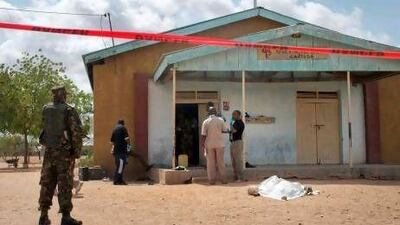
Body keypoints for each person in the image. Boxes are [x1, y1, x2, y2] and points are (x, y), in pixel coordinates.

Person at [38, 86, 83, 225]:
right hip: (64, 154)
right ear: (63, 95)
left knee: (47, 183)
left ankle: (43, 216)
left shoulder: (46, 108)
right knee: (64, 183)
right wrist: (76, 151)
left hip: (49, 153)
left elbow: (45, 130)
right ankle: (66, 217)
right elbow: (75, 132)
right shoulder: (69, 110)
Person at [201, 107, 228, 185]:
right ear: (216, 112)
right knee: (221, 162)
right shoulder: (221, 120)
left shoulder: (205, 122)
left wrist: (202, 144)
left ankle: (212, 180)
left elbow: (203, 135)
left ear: (208, 113)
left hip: (209, 144)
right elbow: (225, 130)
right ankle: (223, 180)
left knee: (210, 163)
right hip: (220, 144)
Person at [110, 120, 130, 185]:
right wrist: (129, 146)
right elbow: (127, 139)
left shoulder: (114, 129)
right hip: (121, 151)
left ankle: (120, 180)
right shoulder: (123, 128)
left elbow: (112, 142)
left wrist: (112, 149)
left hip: (116, 151)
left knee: (119, 166)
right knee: (120, 165)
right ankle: (116, 180)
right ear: (123, 123)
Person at [230, 110, 245, 182]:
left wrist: (231, 125)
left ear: (239, 115)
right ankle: (236, 176)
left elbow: (234, 131)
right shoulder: (235, 122)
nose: (233, 116)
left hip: (237, 142)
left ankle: (240, 177)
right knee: (233, 161)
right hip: (233, 142)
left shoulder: (239, 123)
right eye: (232, 114)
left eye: (234, 114)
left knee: (238, 160)